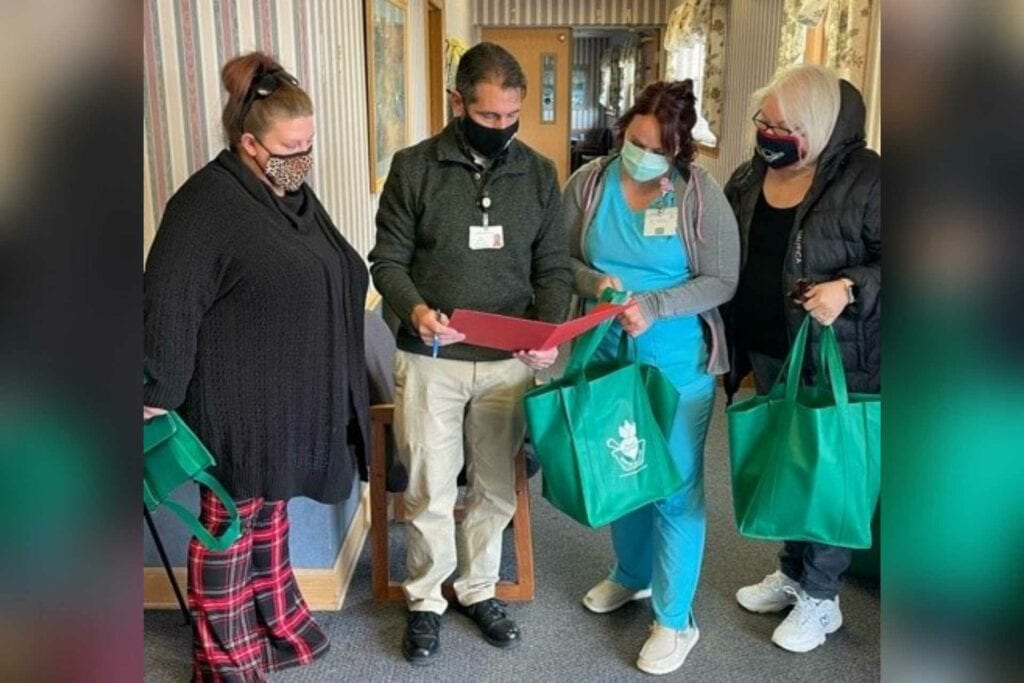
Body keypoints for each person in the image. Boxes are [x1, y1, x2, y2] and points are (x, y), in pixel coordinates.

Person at [143, 52, 369, 681]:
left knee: (271, 511)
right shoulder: (205, 204)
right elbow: (169, 302)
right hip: (234, 403)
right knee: (228, 527)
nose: (301, 158)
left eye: (308, 145)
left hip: (287, 396)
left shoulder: (290, 194)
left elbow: (334, 266)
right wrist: (155, 391)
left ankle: (275, 619)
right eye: (288, 146)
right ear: (248, 142)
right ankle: (223, 657)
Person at [369, 42, 572, 665]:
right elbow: (388, 263)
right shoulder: (413, 168)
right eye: (489, 118)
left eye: (513, 118)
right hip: (431, 357)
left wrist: (546, 332)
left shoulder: (537, 173)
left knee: (495, 486)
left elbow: (554, 268)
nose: (503, 130)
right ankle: (427, 598)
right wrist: (416, 310)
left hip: (508, 361)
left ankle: (479, 587)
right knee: (430, 486)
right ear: (458, 103)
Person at [563, 80, 739, 676]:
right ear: (622, 131)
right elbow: (559, 258)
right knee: (622, 465)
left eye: (658, 149)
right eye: (635, 141)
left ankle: (675, 618)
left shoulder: (697, 193)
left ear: (680, 152)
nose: (642, 154)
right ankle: (632, 574)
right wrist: (597, 286)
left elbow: (721, 280)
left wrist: (656, 306)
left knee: (673, 483)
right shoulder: (588, 184)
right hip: (606, 346)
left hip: (675, 359)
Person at [723, 63, 880, 654]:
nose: (768, 133)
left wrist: (850, 287)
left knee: (826, 472)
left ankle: (822, 598)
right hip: (769, 350)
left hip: (837, 353)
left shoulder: (868, 179)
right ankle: (793, 574)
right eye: (764, 120)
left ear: (817, 126)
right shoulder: (751, 174)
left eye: (783, 125)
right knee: (783, 462)